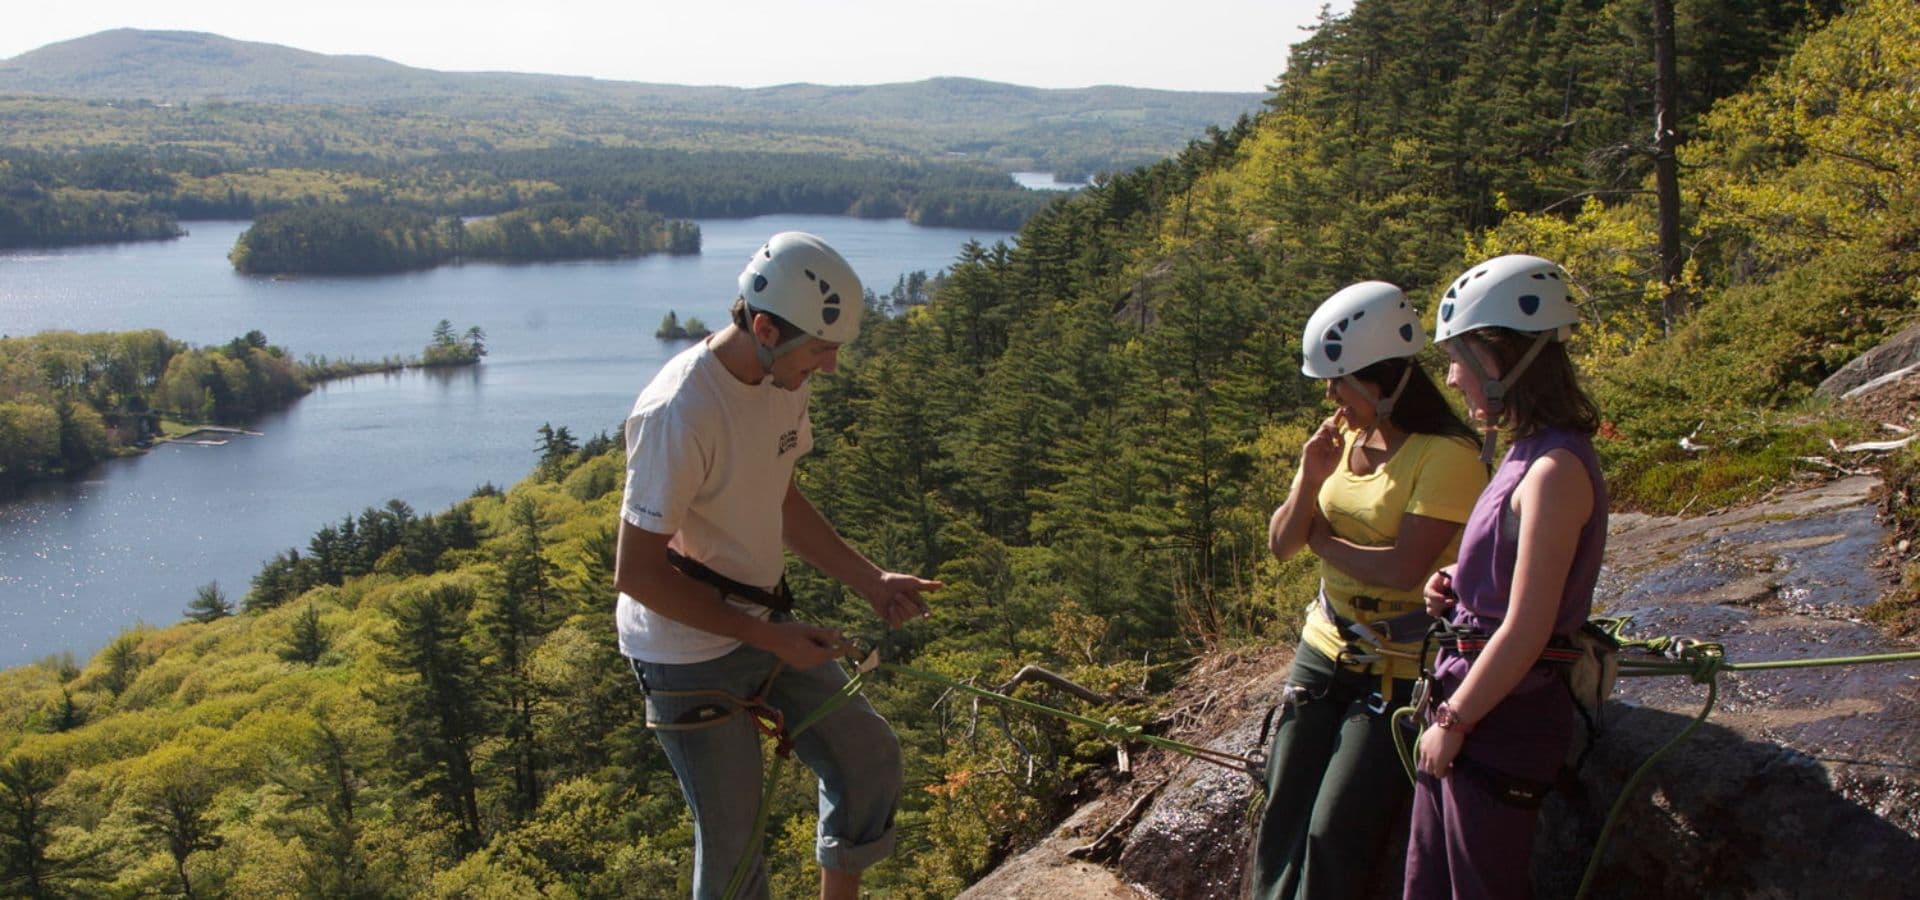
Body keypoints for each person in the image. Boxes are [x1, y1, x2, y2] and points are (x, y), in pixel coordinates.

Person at [612, 231, 941, 900]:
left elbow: (779, 494)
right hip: (684, 653)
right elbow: (638, 575)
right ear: (763, 326)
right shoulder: (680, 411)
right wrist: (769, 638)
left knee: (867, 760)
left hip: (764, 626)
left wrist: (870, 580)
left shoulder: (779, 376)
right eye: (821, 351)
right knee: (734, 845)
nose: (830, 368)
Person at [1252, 281, 1488, 900]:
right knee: (1281, 812)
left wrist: (1320, 539)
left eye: (1341, 380)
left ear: (1385, 379)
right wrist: (1309, 478)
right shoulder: (1345, 441)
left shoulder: (1449, 456)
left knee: (1334, 831)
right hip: (1324, 647)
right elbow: (1282, 544)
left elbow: (1403, 569)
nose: (1331, 395)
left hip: (1400, 666)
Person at [1405, 254, 1607, 900]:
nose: (1452, 375)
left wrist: (1456, 720)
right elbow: (1509, 580)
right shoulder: (1524, 451)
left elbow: (1527, 627)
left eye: (1460, 356)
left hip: (1499, 720)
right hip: (1475, 703)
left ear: (1500, 357)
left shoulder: (1555, 471)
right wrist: (1457, 583)